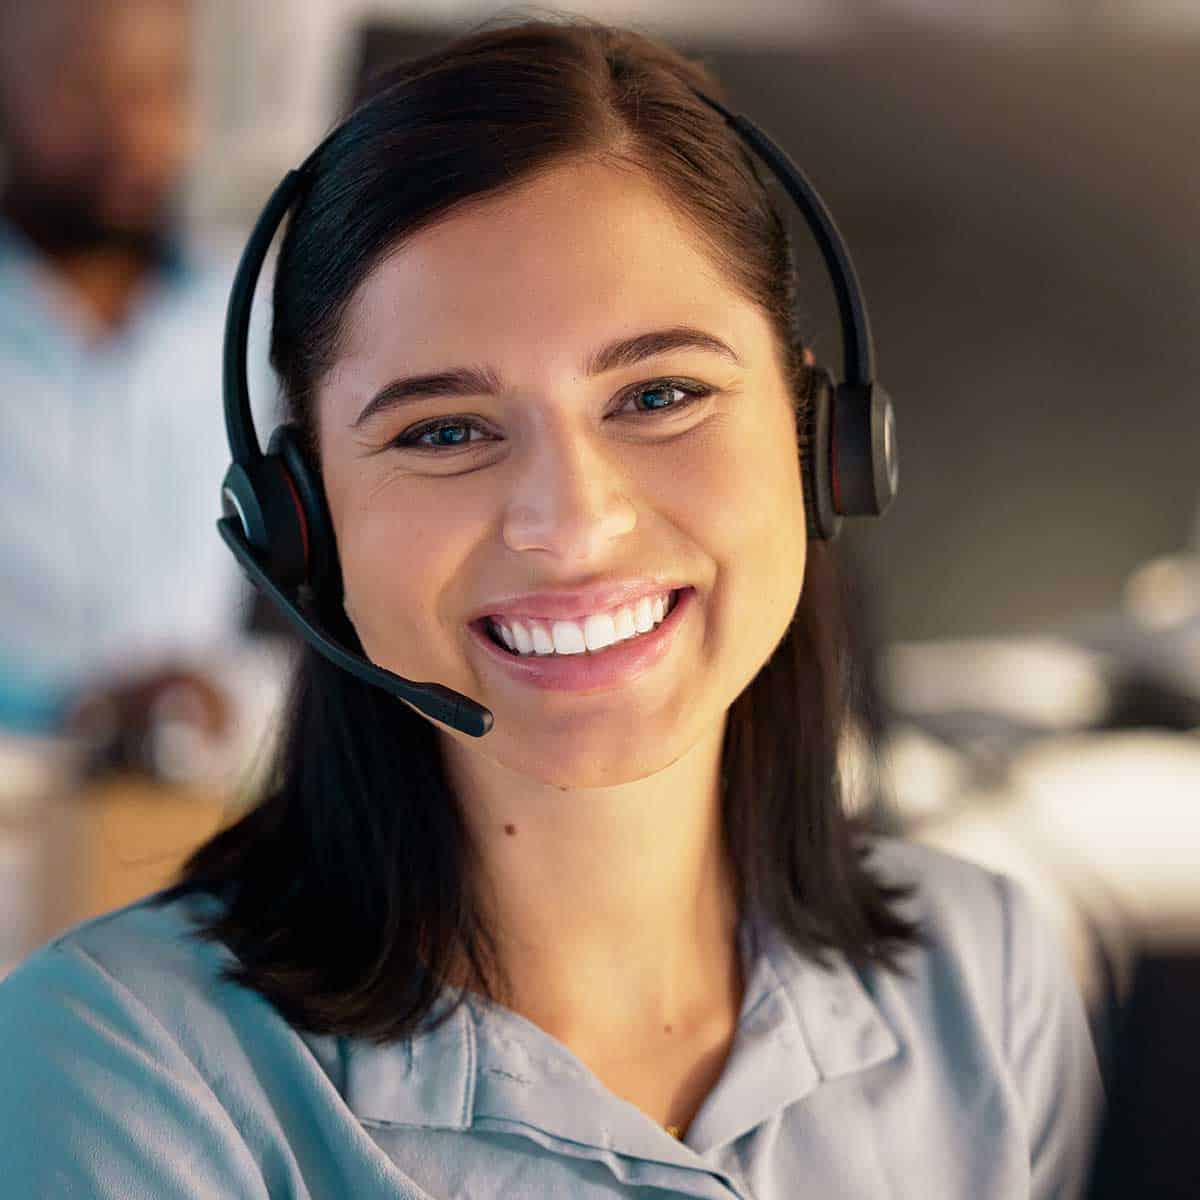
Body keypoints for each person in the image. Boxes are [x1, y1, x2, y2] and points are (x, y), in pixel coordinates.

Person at [0, 16, 1104, 1198]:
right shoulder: (119, 1074)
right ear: (302, 525)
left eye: (661, 392)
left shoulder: (989, 978)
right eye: (444, 430)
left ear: (818, 441)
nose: (571, 525)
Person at [0, 0, 272, 752]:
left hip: (198, 783)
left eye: (161, 89)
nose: (130, 131)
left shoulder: (249, 313)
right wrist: (70, 709)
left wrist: (219, 697)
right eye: (84, 91)